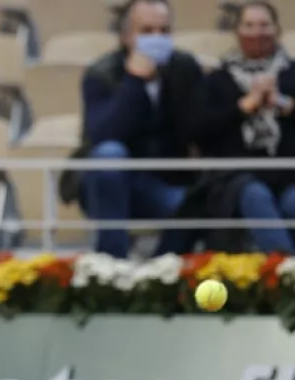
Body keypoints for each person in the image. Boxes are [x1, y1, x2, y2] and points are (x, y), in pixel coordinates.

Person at [69, 0, 204, 258]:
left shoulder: (184, 68)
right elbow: (103, 135)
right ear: (126, 36)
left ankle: (161, 273)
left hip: (165, 182)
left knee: (195, 201)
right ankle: (112, 265)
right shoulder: (101, 73)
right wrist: (134, 82)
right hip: (110, 182)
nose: (157, 38)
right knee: (109, 153)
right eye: (147, 31)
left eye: (164, 31)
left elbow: (198, 128)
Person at [193, 0, 295, 254]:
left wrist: (283, 104)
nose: (257, 33)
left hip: (288, 175)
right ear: (237, 32)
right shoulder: (217, 80)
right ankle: (286, 274)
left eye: (264, 25)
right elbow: (200, 133)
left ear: (277, 30)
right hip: (234, 180)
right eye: (249, 25)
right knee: (255, 195)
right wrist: (243, 107)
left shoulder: (292, 74)